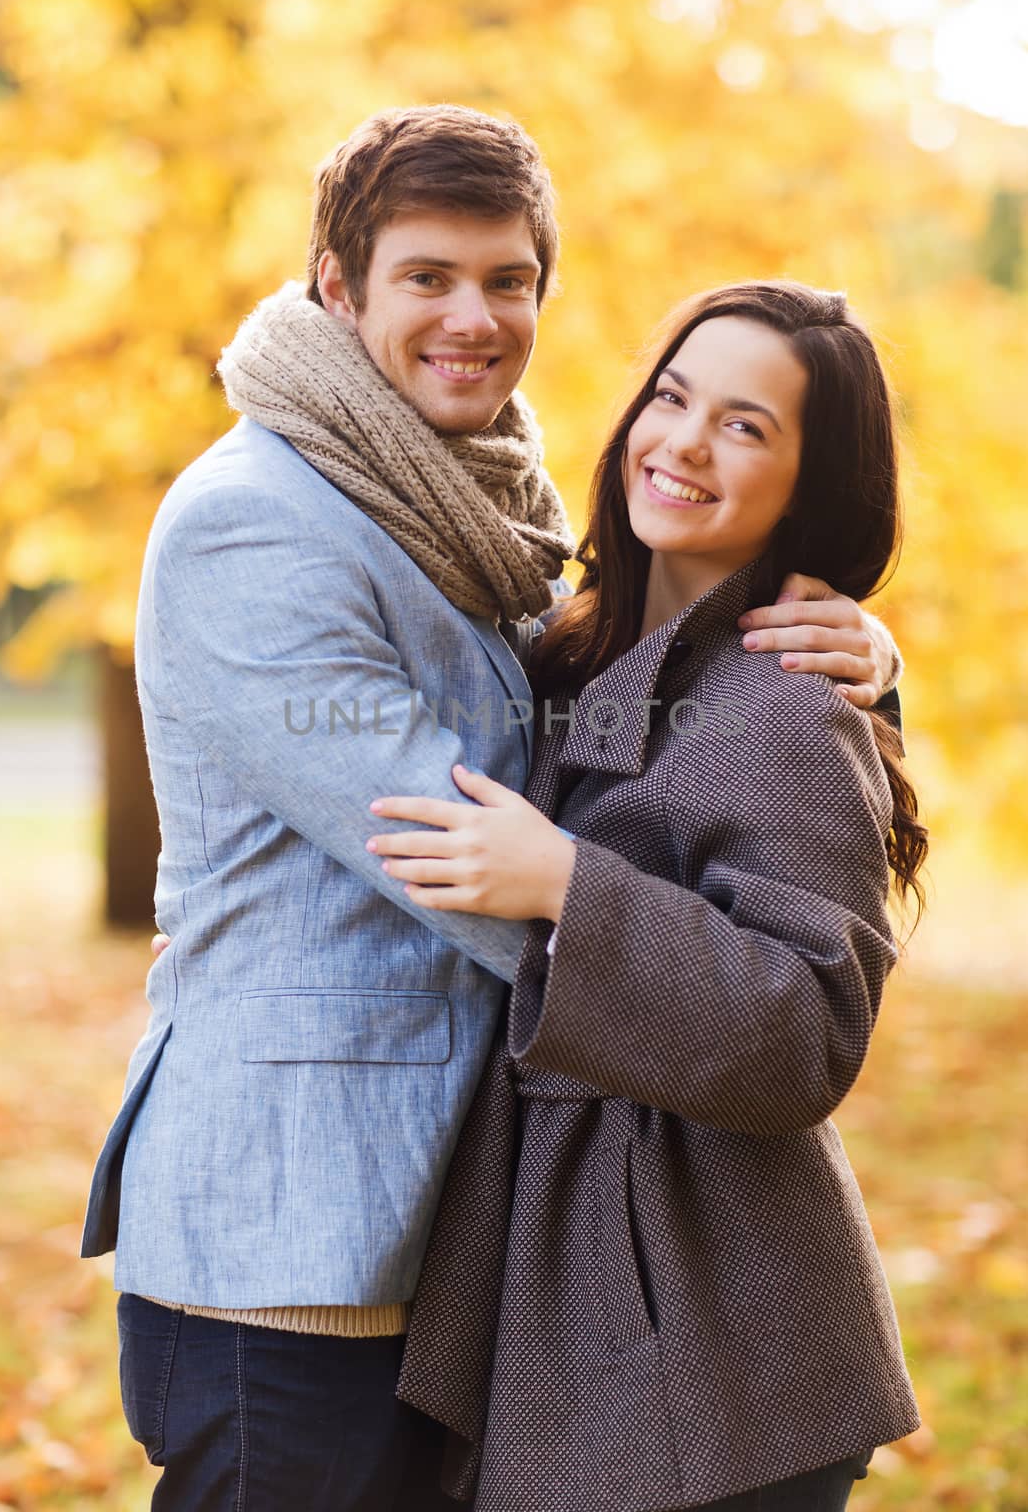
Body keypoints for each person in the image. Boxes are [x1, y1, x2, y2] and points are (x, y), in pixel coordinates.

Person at [80, 100, 904, 1512]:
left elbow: (634, 741)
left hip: (470, 1256)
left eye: (507, 280)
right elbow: (460, 846)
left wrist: (855, 679)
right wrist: (602, 886)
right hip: (303, 1241)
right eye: (426, 276)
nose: (474, 317)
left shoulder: (473, 526)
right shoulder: (259, 520)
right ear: (335, 286)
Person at [370, 282, 926, 1511]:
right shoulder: (578, 653)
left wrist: (570, 886)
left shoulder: (786, 701)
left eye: (743, 427)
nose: (679, 442)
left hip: (715, 1327)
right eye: (669, 399)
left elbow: (806, 1027)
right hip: (585, 1287)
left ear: (810, 485)